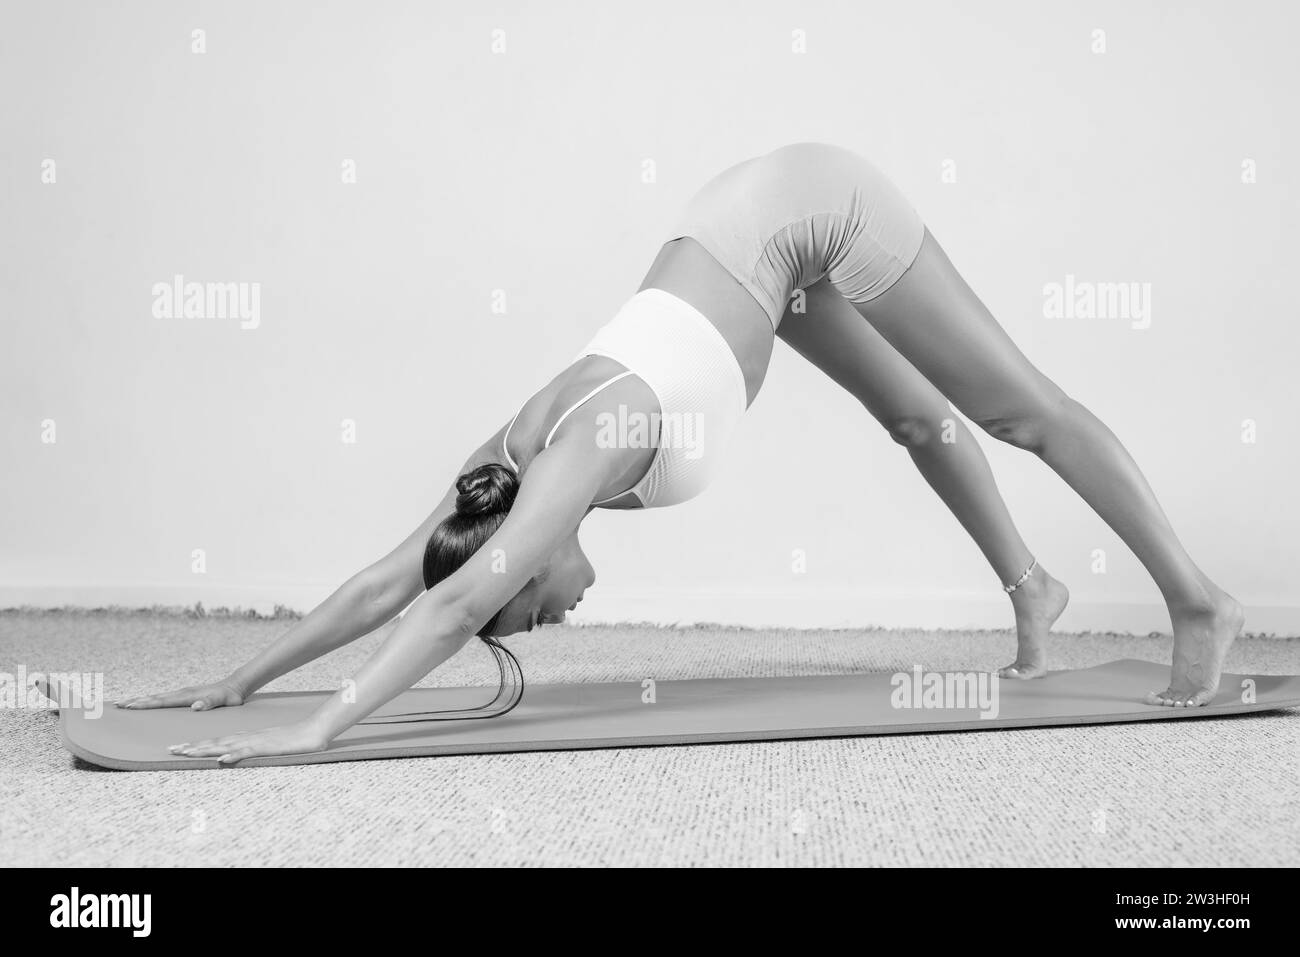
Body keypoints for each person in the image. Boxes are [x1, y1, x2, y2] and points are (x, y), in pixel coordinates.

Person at [121, 143, 1243, 764]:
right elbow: (391, 580)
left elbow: (450, 609)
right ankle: (1031, 587)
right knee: (916, 417)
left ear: (521, 550)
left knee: (1014, 409)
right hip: (745, 251)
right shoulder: (498, 470)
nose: (550, 620)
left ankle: (1193, 599)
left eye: (531, 612)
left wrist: (313, 731)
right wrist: (238, 679)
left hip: (807, 204)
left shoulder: (568, 467)